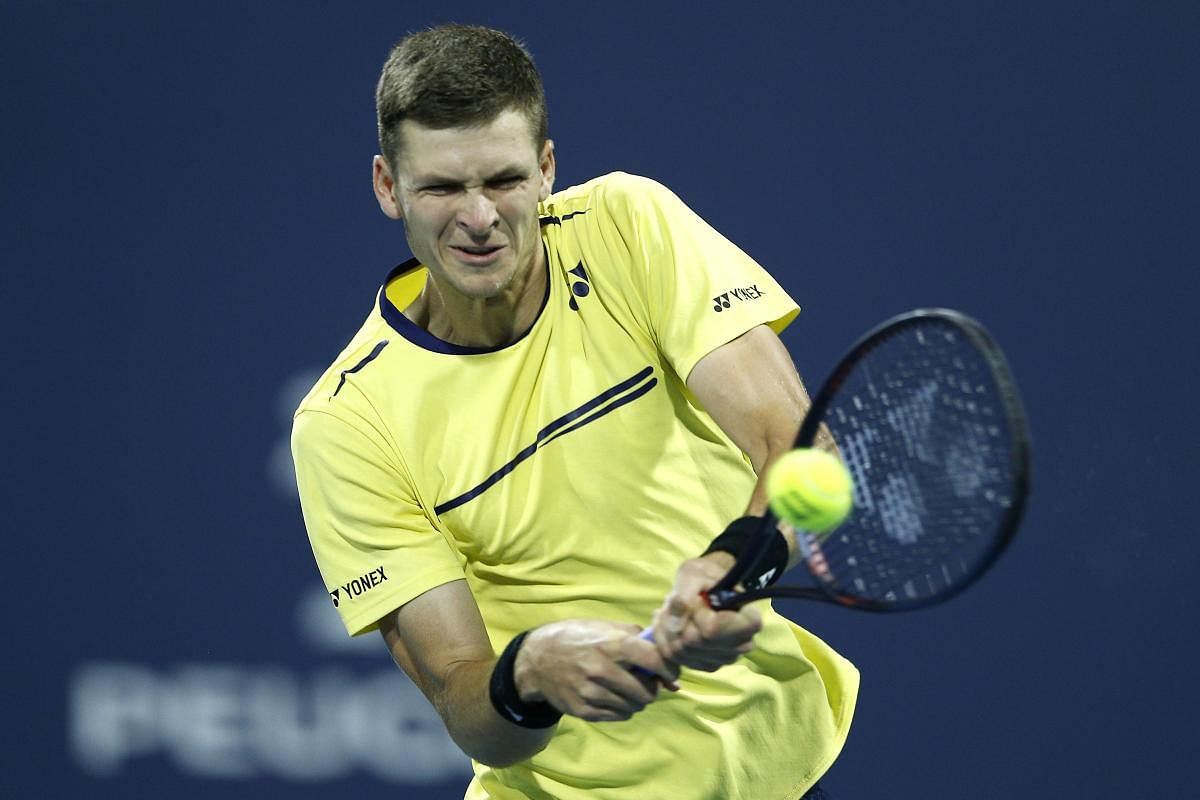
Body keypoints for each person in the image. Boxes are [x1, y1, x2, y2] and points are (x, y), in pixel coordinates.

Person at [292, 24, 858, 800]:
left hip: (774, 767)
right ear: (389, 188)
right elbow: (462, 698)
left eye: (503, 179)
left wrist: (732, 567)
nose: (480, 216)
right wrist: (529, 673)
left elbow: (795, 447)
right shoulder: (347, 423)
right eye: (442, 188)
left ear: (547, 169)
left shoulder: (630, 224)